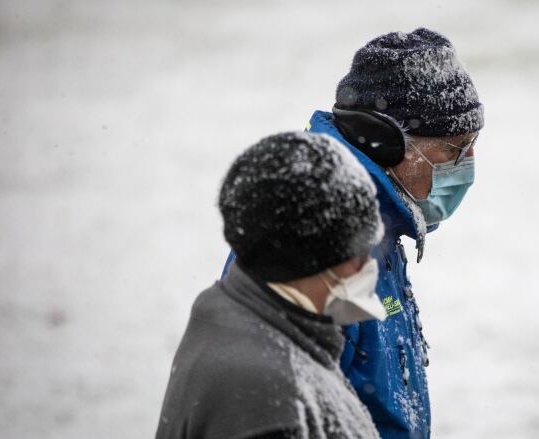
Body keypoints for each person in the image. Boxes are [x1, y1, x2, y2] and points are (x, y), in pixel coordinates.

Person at [222, 27, 484, 439]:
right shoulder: (316, 243)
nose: (468, 164)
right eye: (454, 148)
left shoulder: (379, 223)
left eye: (473, 145)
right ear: (386, 144)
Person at [157, 132, 386, 439]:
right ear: (309, 259)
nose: (368, 264)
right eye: (358, 251)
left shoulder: (232, 312)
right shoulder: (266, 399)